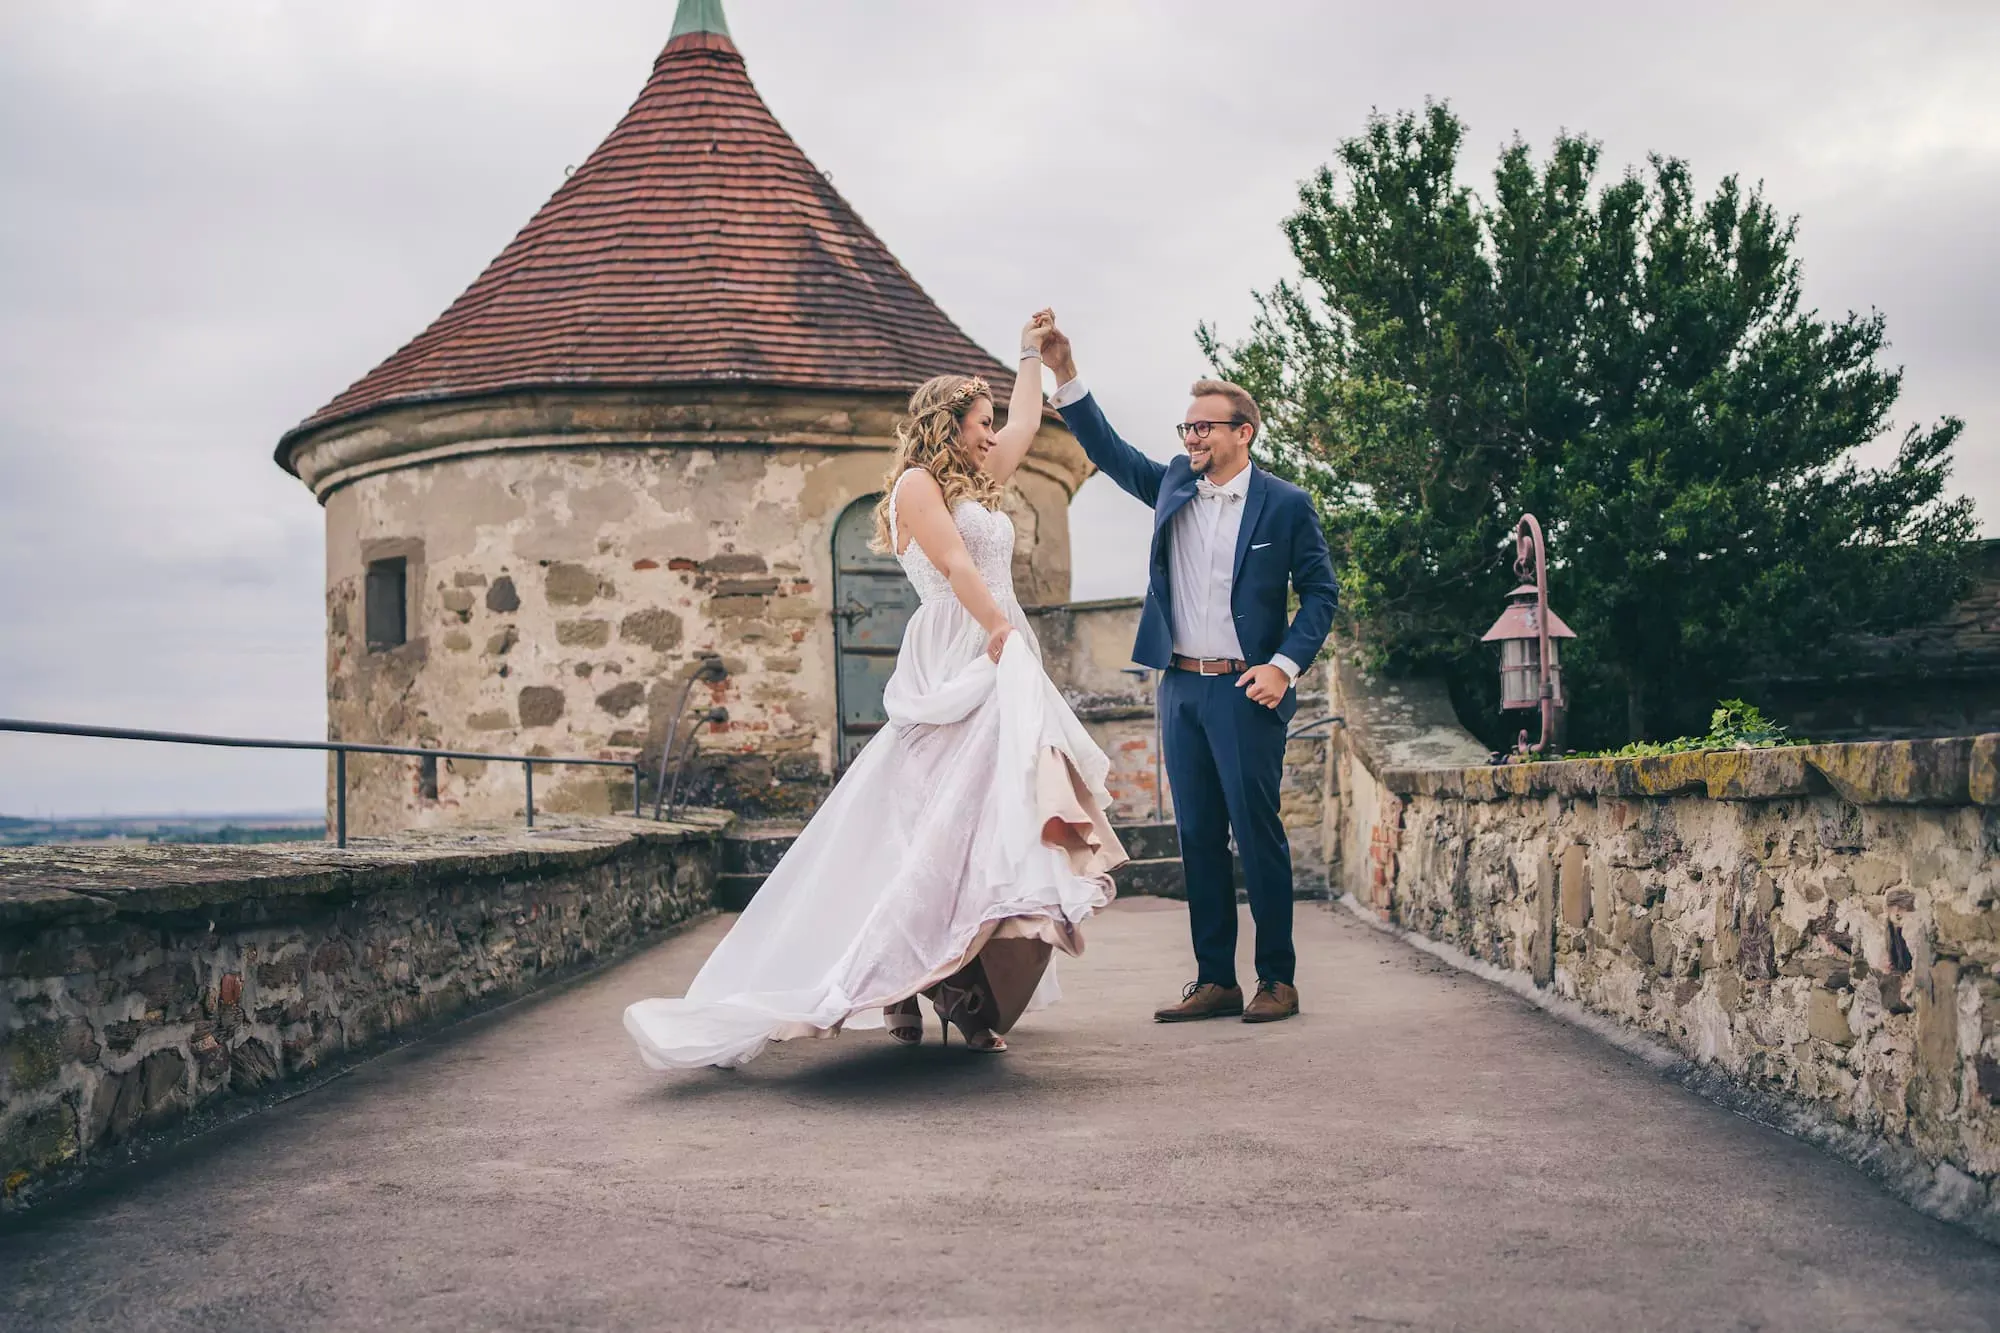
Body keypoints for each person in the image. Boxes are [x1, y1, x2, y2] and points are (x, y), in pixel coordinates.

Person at [623, 316, 1125, 1068]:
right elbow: (957, 565)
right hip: (962, 649)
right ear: (947, 427)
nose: (994, 437)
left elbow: (1026, 422)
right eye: (980, 425)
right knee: (938, 829)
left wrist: (1036, 356)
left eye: (991, 425)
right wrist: (999, 631)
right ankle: (901, 981)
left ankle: (967, 988)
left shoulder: (981, 477)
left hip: (1000, 652)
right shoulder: (918, 486)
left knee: (995, 822)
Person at [1036, 313, 1337, 1024]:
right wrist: (1064, 369)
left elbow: (1321, 593)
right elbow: (1108, 452)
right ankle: (1214, 979)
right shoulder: (1172, 484)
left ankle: (1277, 977)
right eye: (1187, 428)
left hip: (1245, 688)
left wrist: (1284, 666)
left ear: (1244, 433)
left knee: (1256, 829)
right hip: (1180, 688)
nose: (1193, 437)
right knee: (1197, 833)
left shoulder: (1285, 504)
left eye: (1206, 427)